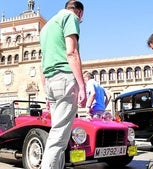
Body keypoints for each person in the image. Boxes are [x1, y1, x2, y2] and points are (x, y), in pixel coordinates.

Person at [40, 1, 86, 169]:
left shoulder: (46, 27)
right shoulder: (70, 17)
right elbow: (72, 52)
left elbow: (42, 64)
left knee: (57, 135)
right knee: (59, 137)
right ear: (80, 13)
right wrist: (82, 86)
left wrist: (46, 92)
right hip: (65, 78)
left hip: (50, 82)